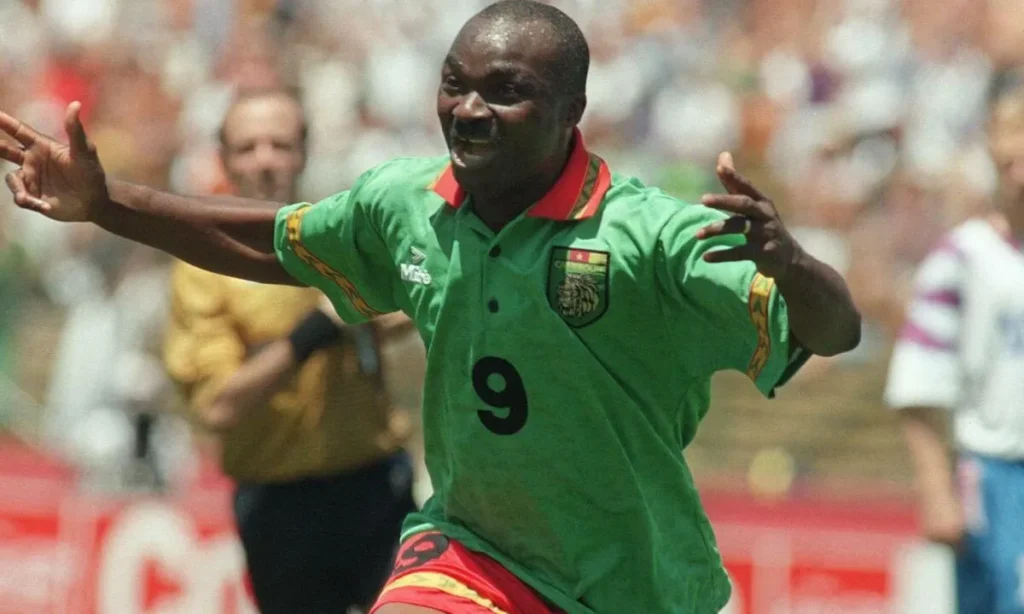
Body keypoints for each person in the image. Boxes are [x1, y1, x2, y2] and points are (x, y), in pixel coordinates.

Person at [0, 2, 861, 612]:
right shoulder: (404, 204)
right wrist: (106, 203)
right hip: (469, 556)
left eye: (505, 90)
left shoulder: (652, 237)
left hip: (634, 586)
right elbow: (271, 242)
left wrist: (793, 267)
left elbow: (833, 331)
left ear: (572, 111)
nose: (469, 109)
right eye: (455, 83)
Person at [161, 87, 417, 614]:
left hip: (374, 487)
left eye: (280, 145)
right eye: (248, 147)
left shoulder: (339, 236)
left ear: (304, 152)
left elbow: (406, 307)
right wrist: (314, 332)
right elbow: (217, 405)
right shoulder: (204, 268)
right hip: (279, 504)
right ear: (224, 159)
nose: (266, 161)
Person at [884, 73, 1024, 614]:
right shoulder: (964, 256)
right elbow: (919, 380)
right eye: (1010, 137)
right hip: (995, 475)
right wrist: (936, 488)